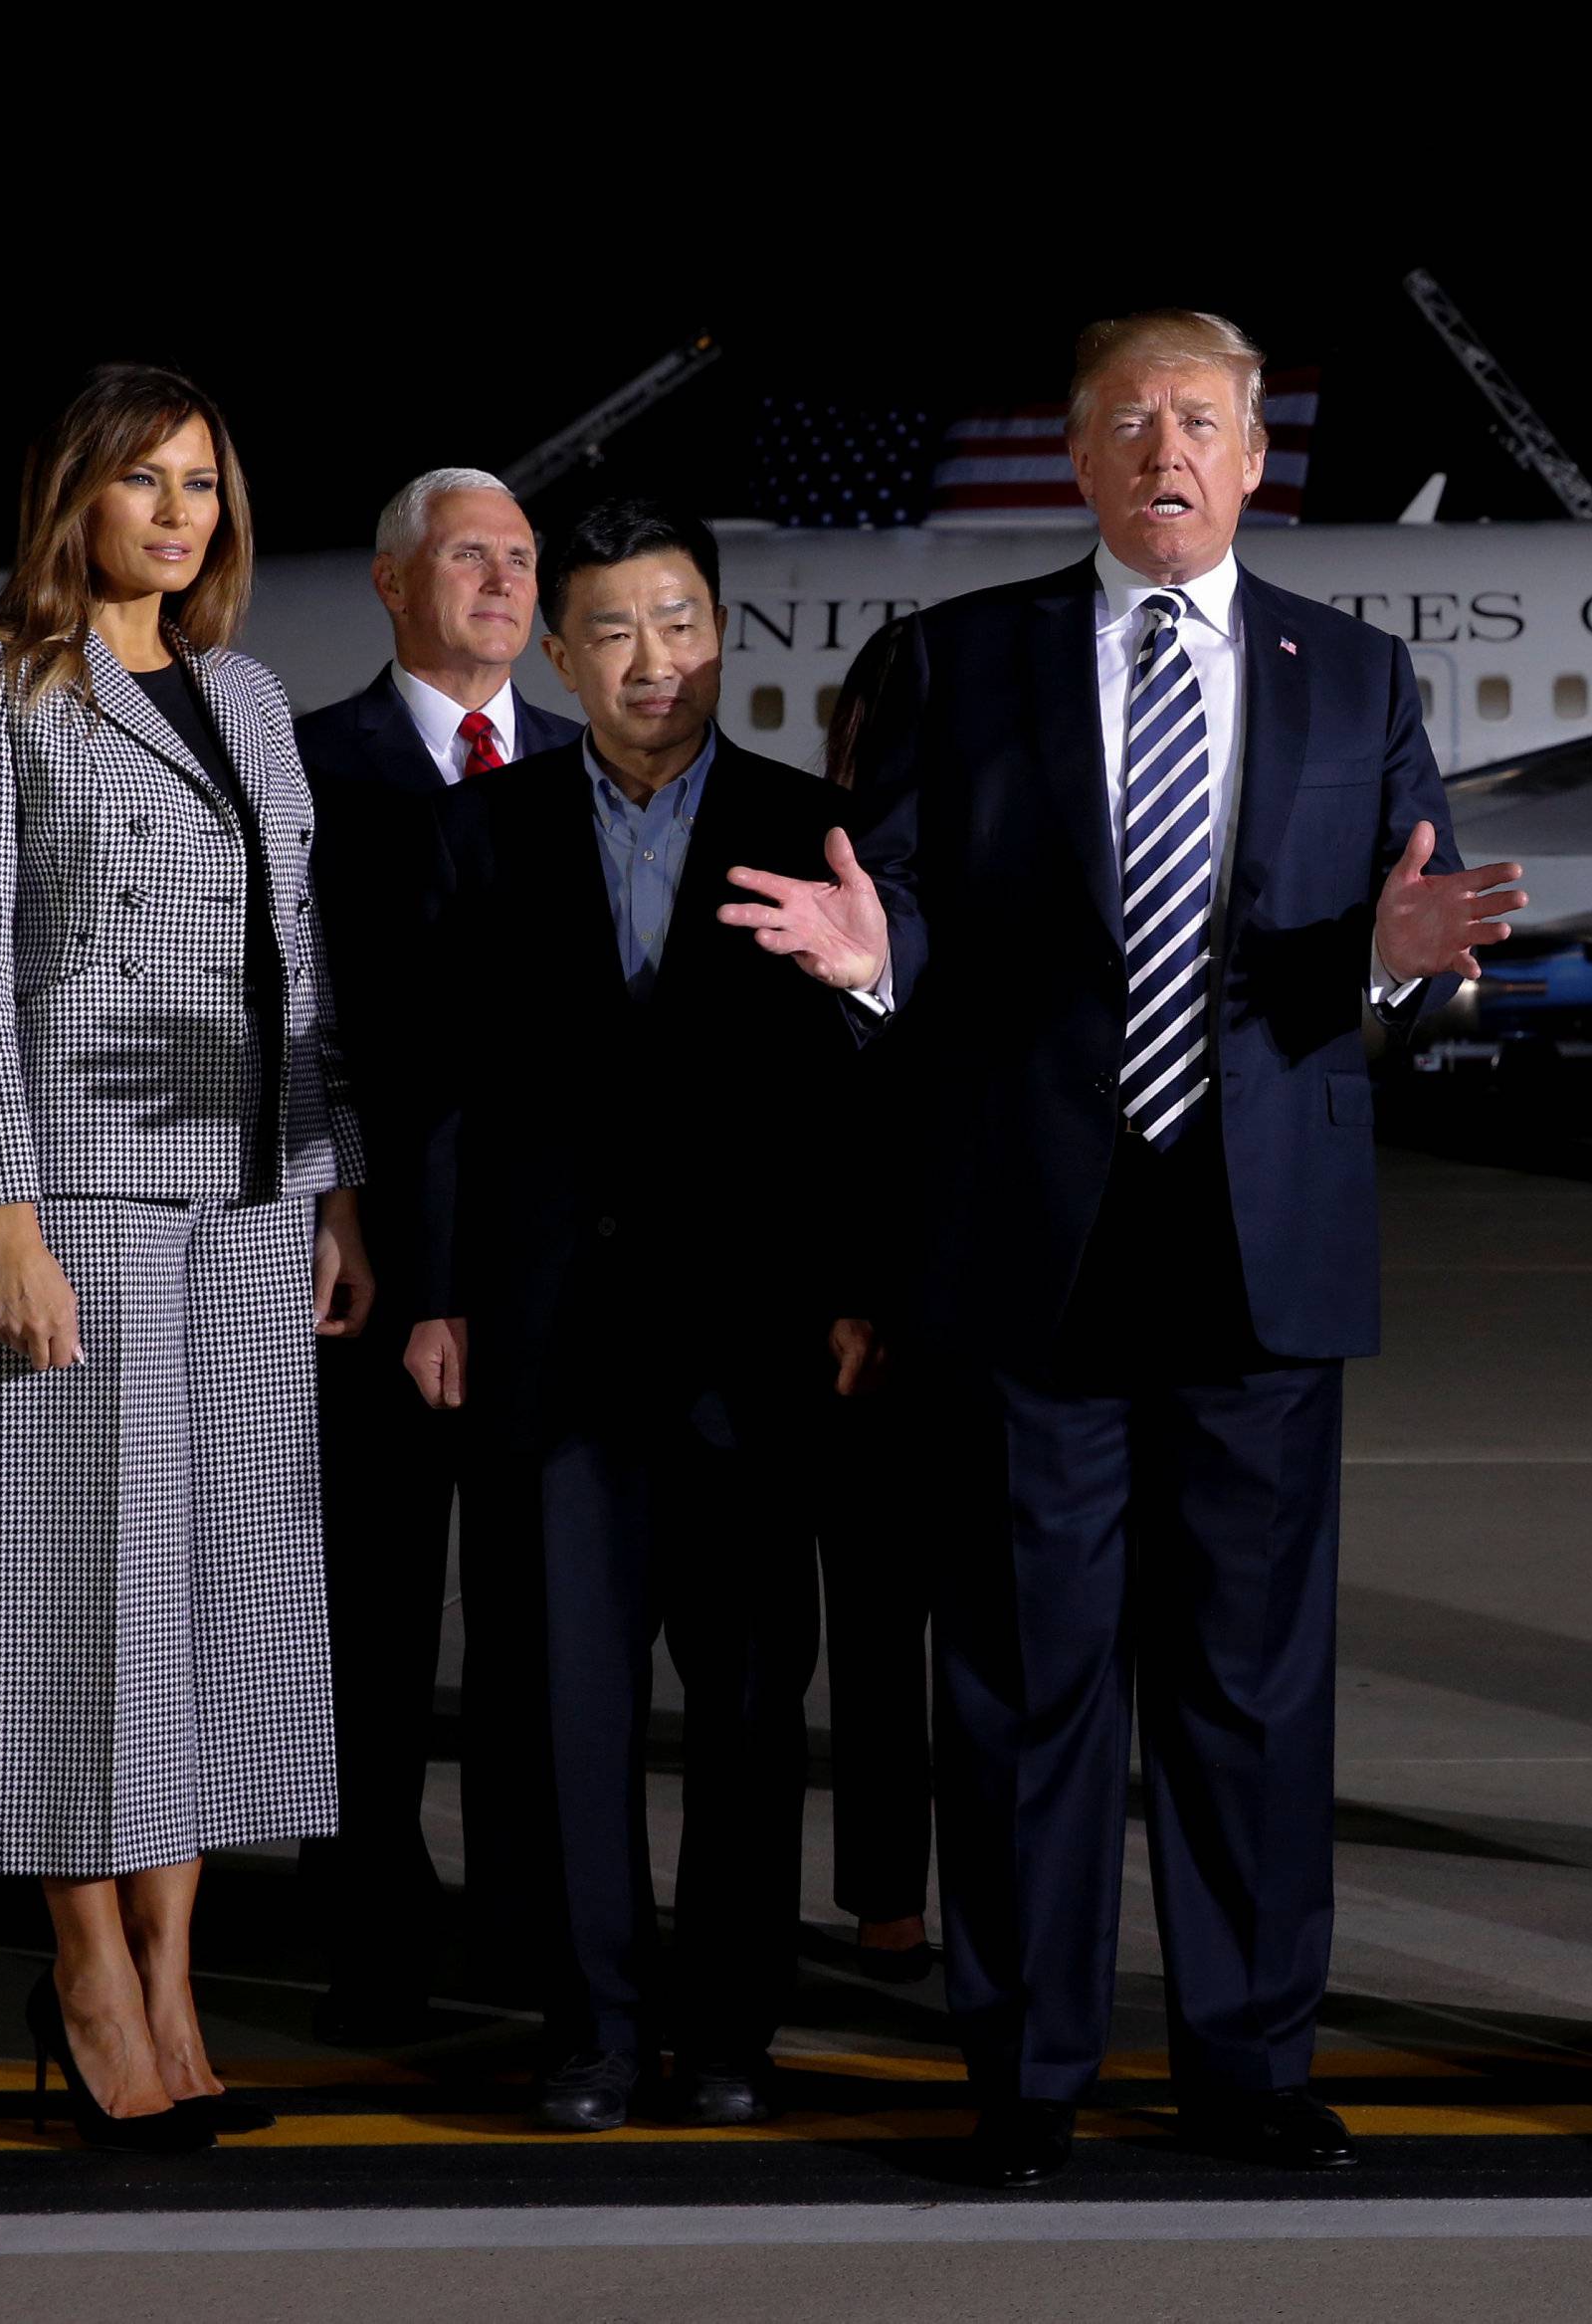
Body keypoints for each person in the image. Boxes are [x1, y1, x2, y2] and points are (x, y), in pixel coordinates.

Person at [715, 310, 1528, 2185]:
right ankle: (1027, 2070)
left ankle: (1247, 2061)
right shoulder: (956, 660)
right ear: (1080, 460)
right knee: (1023, 1685)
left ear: (1255, 461)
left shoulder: (1359, 673)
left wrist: (1401, 978)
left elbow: (1395, 931)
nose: (1168, 449)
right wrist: (875, 961)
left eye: (1205, 420)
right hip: (1032, 1252)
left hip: (1263, 1251)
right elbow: (899, 900)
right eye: (1132, 420)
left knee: (1252, 1686)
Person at [0, 362, 372, 2152]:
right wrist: (5, 1217)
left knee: (209, 1606)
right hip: (84, 1209)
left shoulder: (252, 697)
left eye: (200, 485)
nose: (178, 514)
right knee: (76, 1604)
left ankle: (181, 1987)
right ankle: (90, 1980)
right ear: (74, 500)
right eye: (144, 483)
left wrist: (332, 1184)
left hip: (251, 1211)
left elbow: (296, 962)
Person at [403, 499, 859, 2131]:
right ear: (555, 650)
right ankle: (592, 2029)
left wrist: (859, 1289)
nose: (651, 659)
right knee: (569, 1712)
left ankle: (730, 2030)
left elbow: (863, 1093)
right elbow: (443, 1095)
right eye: (610, 628)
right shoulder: (484, 832)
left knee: (748, 1708)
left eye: (678, 621)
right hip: (557, 1345)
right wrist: (441, 1293)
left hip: (753, 1348)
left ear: (721, 630)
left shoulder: (817, 830)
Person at [295, 470, 579, 2032]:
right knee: (377, 1616)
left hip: (542, 1270)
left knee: (538, 1615)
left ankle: (530, 1926)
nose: (502, 580)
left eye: (522, 559)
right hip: (369, 1262)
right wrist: (341, 1203)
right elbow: (298, 1011)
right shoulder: (307, 765)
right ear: (395, 584)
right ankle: (370, 1927)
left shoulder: (579, 759)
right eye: (468, 554)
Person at [813, 627, 934, 1984]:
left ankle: (901, 1897)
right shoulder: (826, 871)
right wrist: (852, 1295)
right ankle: (889, 1899)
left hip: (974, 1298)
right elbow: (812, 1121)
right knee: (884, 1621)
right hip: (867, 1314)